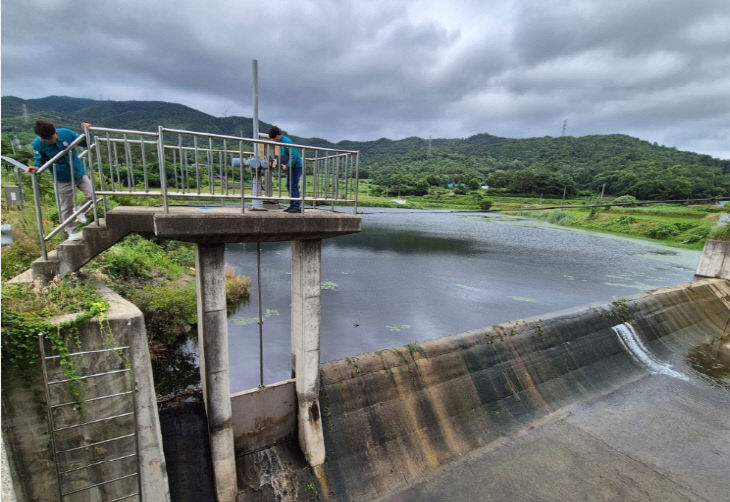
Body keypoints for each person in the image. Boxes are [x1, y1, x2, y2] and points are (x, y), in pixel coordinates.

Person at [26, 119, 93, 240]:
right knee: (66, 206)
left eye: (53, 137)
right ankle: (72, 232)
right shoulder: (38, 144)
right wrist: (36, 168)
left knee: (92, 195)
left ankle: (80, 210)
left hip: (78, 172)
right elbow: (39, 159)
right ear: (42, 138)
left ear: (56, 132)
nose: (52, 141)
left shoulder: (66, 133)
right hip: (61, 178)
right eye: (48, 140)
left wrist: (87, 131)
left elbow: (86, 143)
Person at [268, 125, 302, 212]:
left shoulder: (287, 142)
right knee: (289, 186)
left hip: (296, 166)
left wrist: (287, 165)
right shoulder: (282, 143)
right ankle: (292, 205)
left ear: (277, 136)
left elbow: (293, 156)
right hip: (291, 166)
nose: (274, 141)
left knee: (293, 186)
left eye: (274, 139)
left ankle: (297, 206)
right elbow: (284, 156)